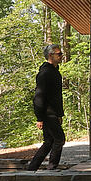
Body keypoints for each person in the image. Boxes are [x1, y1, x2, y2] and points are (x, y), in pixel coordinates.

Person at [26, 42, 67, 170]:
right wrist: (39, 117)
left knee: (49, 142)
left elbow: (56, 97)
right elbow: (39, 97)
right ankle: (52, 167)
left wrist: (60, 114)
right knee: (59, 139)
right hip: (47, 113)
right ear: (50, 55)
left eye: (61, 54)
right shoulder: (45, 73)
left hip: (54, 113)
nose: (61, 56)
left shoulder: (55, 72)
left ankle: (32, 168)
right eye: (59, 54)